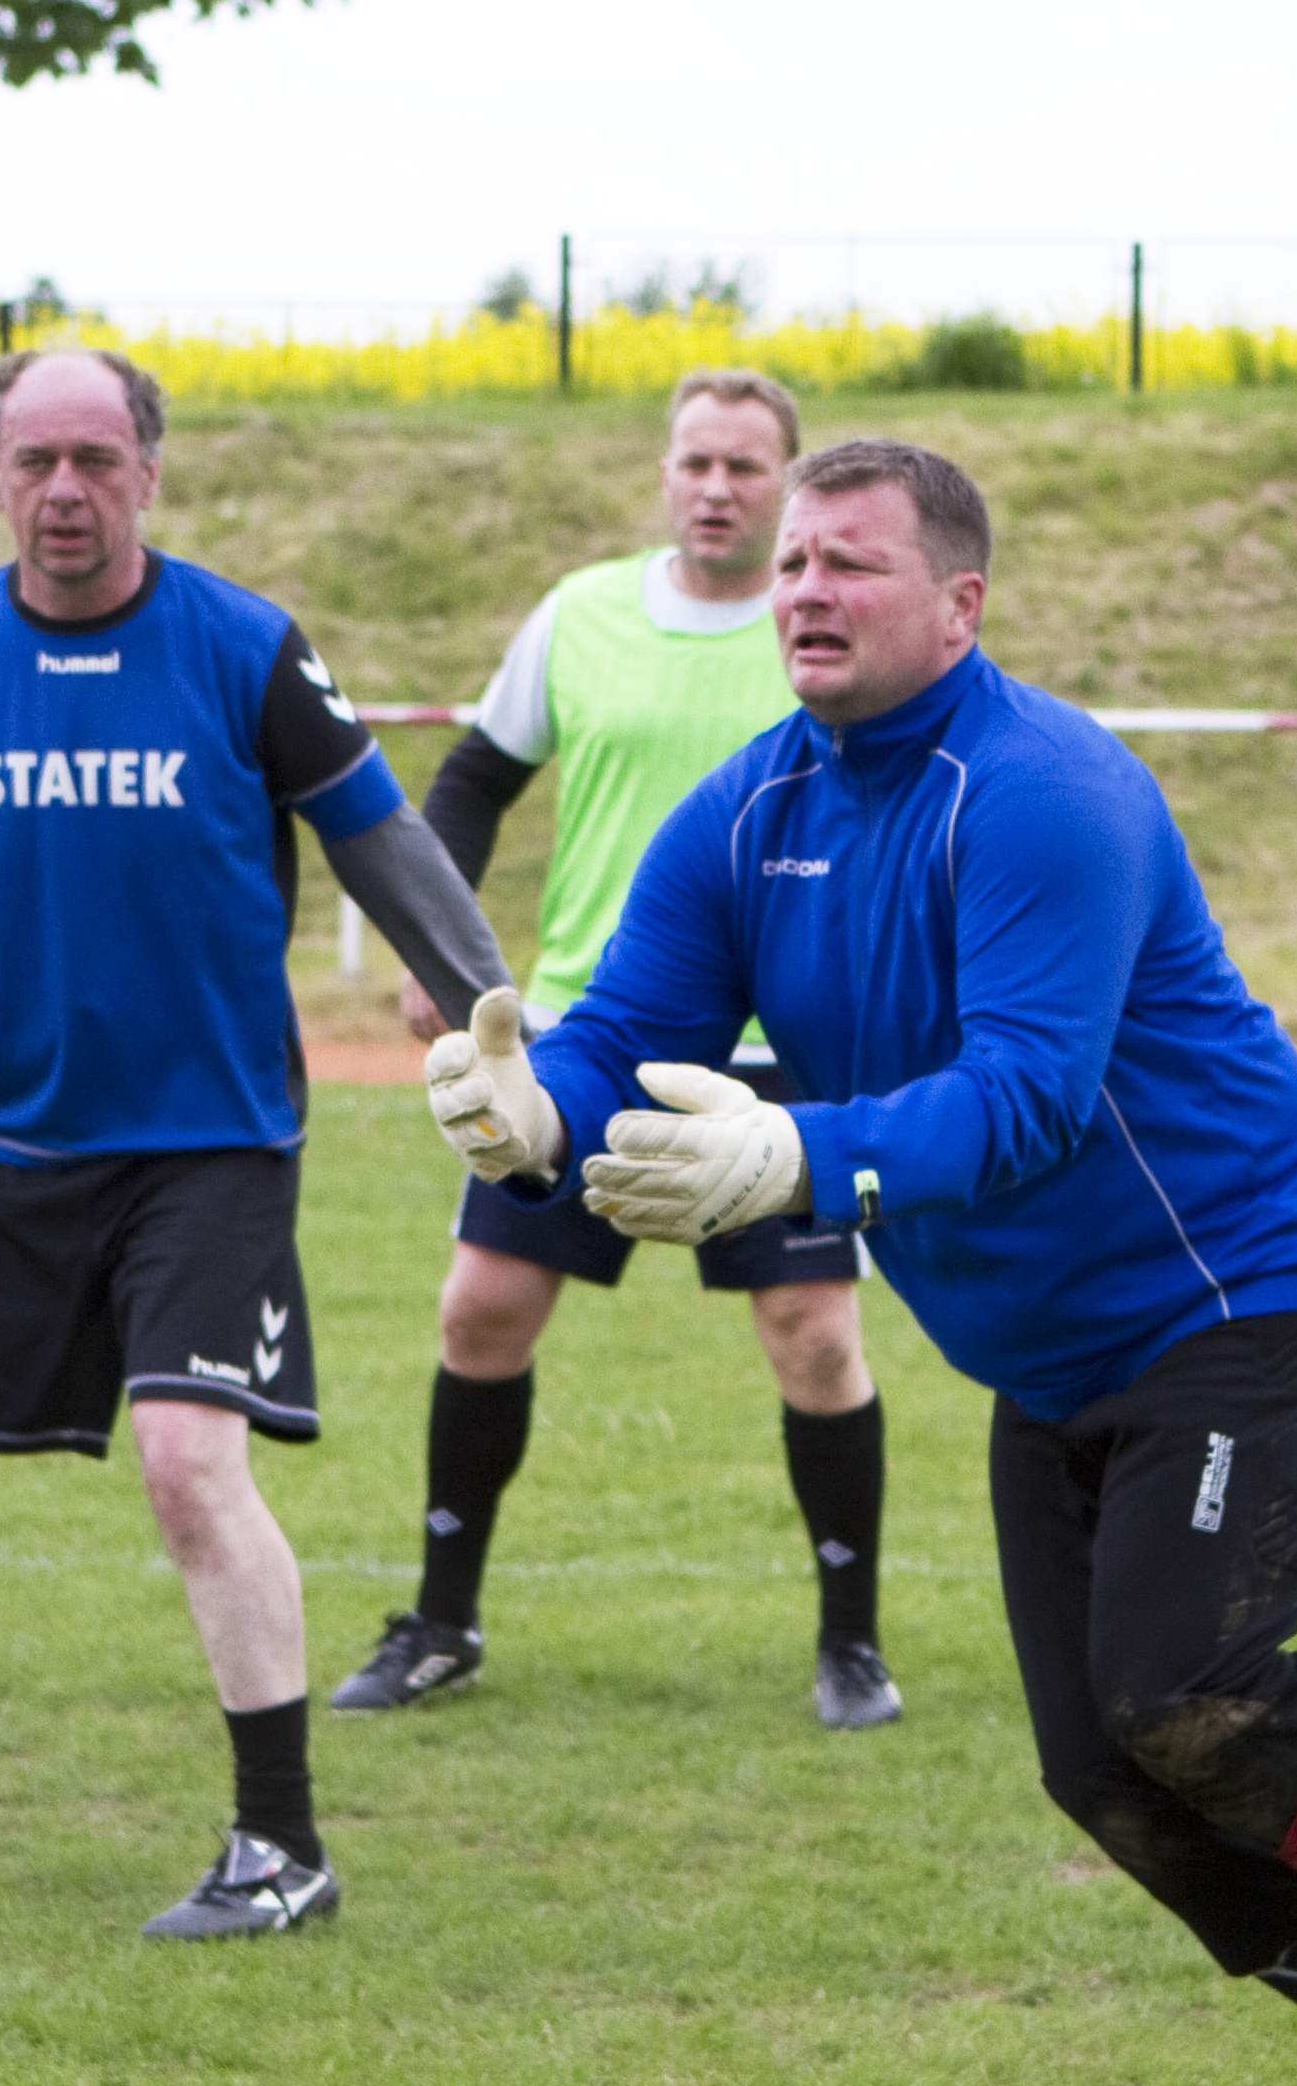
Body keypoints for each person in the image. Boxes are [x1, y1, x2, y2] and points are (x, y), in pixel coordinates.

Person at [421, 439, 1297, 2086]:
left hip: (1242, 1291)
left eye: (851, 565)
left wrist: (790, 1155)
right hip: (1048, 1350)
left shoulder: (1045, 793)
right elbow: (622, 1024)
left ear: (959, 605)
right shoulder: (753, 807)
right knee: (1108, 1767)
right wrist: (533, 1116)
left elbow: (1028, 1099)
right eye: (790, 568)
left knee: (1191, 1685)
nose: (808, 595)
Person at [0, 347, 511, 1939]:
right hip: (15, 1150)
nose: (66, 490)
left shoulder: (243, 647)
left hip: (212, 1143)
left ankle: (282, 1847)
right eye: (36, 460)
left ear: (150, 474)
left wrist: (494, 1015)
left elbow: (382, 842)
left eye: (98, 461)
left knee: (192, 1464)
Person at [332, 369, 893, 1731]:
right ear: (665, 472)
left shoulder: (822, 630)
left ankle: (851, 1644)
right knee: (480, 1310)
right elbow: (470, 780)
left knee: (814, 1335)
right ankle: (444, 1622)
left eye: (748, 467)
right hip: (593, 1035)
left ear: (789, 485)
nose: (717, 488)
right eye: (696, 461)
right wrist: (436, 949)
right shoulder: (580, 616)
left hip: (780, 1046)